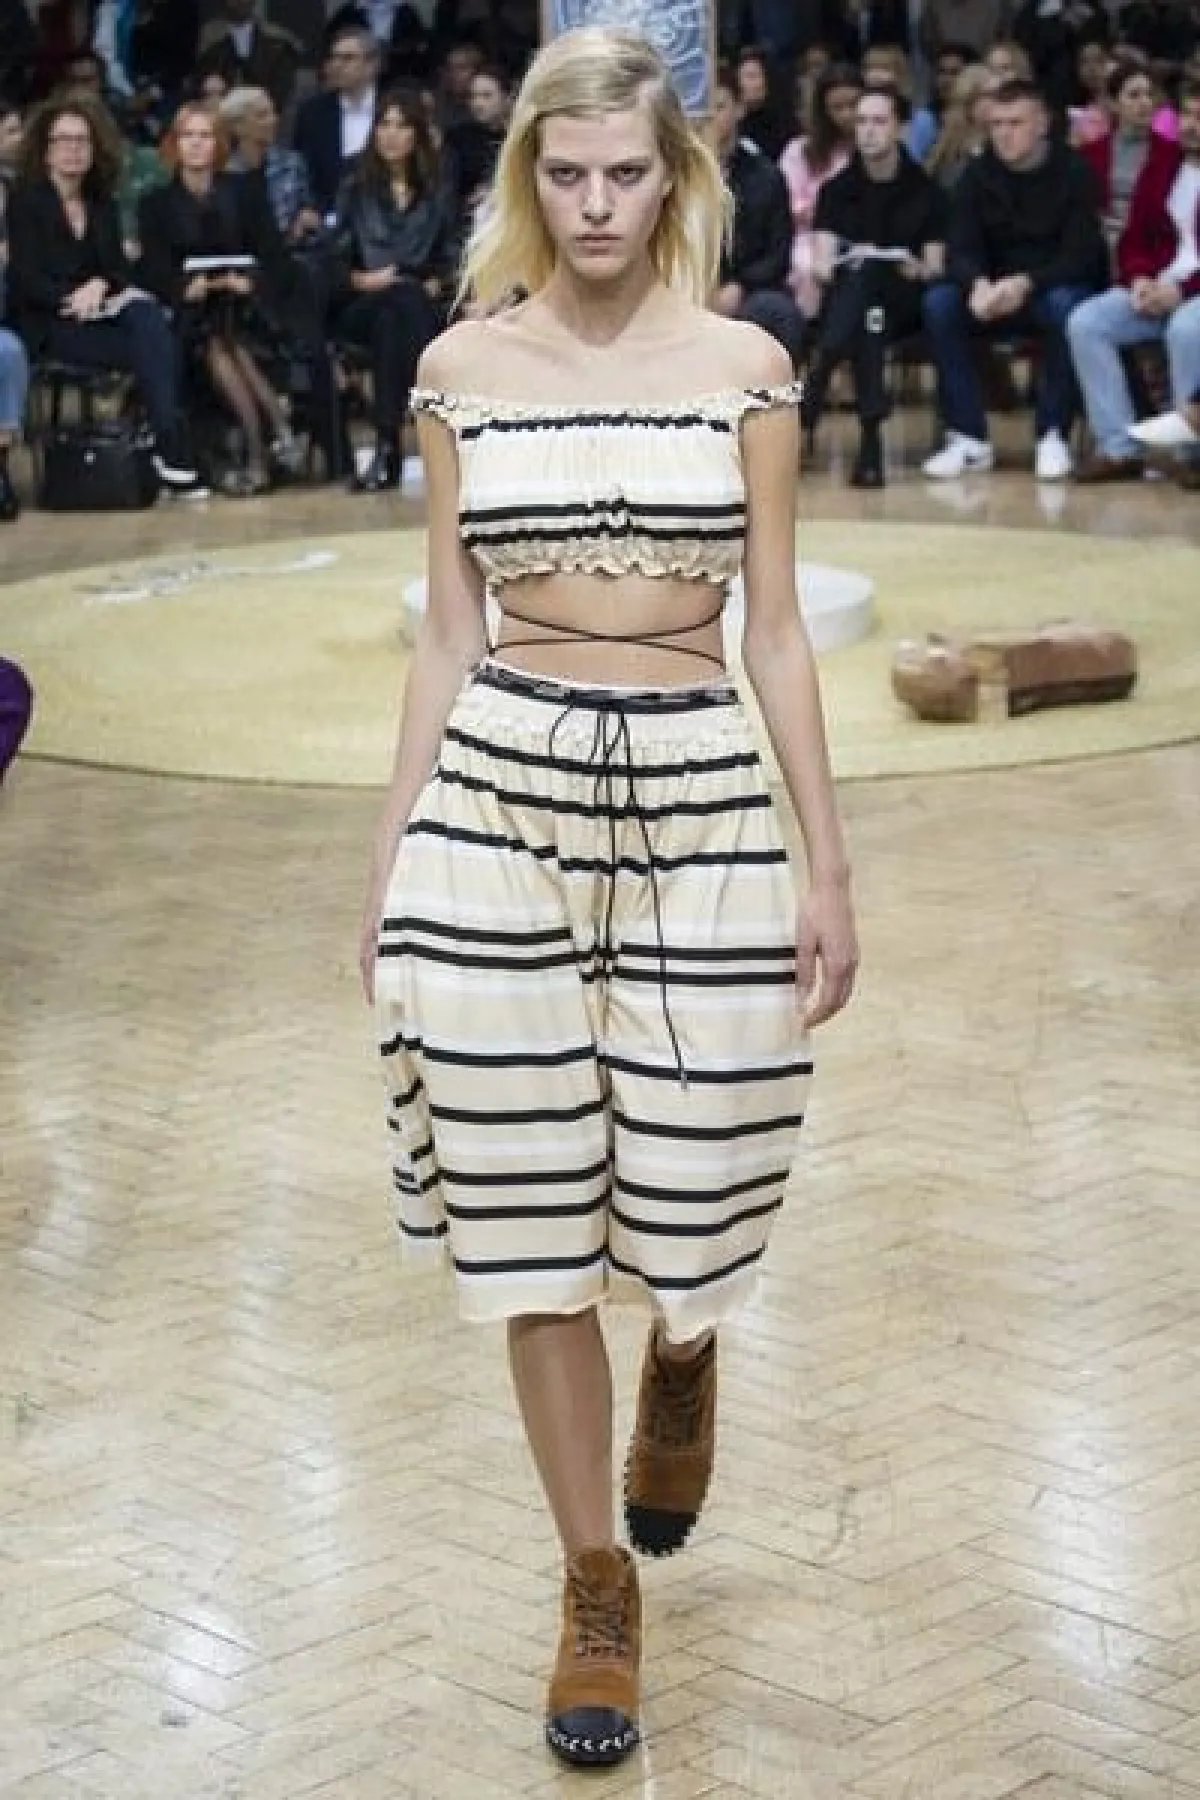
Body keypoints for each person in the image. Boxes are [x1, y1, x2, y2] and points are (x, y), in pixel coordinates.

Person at [362, 23, 857, 1774]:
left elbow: (775, 628)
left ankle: (690, 1342)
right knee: (523, 1205)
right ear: (528, 176)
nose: (592, 204)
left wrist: (827, 858)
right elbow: (447, 631)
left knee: (707, 1149)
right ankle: (594, 1583)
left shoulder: (745, 367)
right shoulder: (458, 368)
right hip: (499, 788)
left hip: (700, 787)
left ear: (673, 177)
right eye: (563, 174)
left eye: (624, 173)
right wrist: (391, 854)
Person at [6, 94, 204, 496]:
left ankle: (164, 440)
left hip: (100, 312)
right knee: (156, 347)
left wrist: (99, 287)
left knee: (149, 320)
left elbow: (118, 272)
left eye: (82, 141)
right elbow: (26, 279)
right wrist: (73, 298)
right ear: (46, 150)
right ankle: (169, 444)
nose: (74, 149)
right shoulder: (27, 204)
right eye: (64, 141)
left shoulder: (103, 205)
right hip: (49, 321)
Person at [921, 78, 1105, 480]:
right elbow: (960, 248)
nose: (1004, 134)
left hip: (1049, 287)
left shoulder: (1075, 173)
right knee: (940, 304)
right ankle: (967, 436)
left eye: (1015, 123)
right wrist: (977, 284)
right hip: (992, 291)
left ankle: (1052, 433)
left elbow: (1081, 257)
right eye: (997, 124)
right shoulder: (976, 174)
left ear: (1042, 124)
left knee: (1068, 308)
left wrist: (1026, 283)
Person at [137, 103, 302, 496]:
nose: (196, 145)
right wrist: (185, 287)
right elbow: (153, 269)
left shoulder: (245, 193)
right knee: (215, 337)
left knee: (226, 335)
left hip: (247, 307)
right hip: (189, 311)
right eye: (188, 136)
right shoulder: (155, 204)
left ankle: (259, 448)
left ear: (218, 144)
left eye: (205, 136)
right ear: (174, 145)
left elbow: (274, 255)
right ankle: (274, 430)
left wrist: (250, 281)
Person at [805, 85, 947, 485]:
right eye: (862, 122)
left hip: (905, 299)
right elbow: (822, 267)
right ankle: (870, 446)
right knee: (869, 314)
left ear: (900, 128)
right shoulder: (837, 190)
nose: (868, 131)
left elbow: (935, 267)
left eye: (879, 121)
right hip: (855, 301)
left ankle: (821, 371)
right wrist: (849, 260)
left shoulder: (927, 191)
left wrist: (912, 266)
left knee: (869, 297)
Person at [1069, 80, 1200, 484]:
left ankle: (1192, 452)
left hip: (1192, 292)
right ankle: (1119, 448)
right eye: (1187, 114)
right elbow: (1134, 238)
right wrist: (1140, 277)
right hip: (1159, 284)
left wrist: (1183, 290)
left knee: (1186, 329)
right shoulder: (1163, 165)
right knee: (1087, 322)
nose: (1192, 125)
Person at [333, 85, 461, 491]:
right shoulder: (355, 187)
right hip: (364, 300)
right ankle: (435, 417)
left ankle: (387, 448)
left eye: (402, 126)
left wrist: (440, 281)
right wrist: (359, 279)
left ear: (417, 134)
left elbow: (455, 252)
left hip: (418, 300)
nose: (390, 134)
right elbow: (333, 257)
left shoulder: (438, 188)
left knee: (395, 315)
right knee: (396, 302)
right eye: (383, 124)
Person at [708, 63, 806, 369]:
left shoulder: (766, 177)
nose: (709, 117)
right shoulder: (671, 176)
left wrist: (739, 286)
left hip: (748, 289)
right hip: (681, 288)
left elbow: (778, 253)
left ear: (739, 109)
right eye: (701, 109)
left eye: (719, 106)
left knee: (778, 312)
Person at [779, 62, 863, 318]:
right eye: (837, 107)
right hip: (807, 236)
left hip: (860, 237)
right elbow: (788, 203)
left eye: (853, 105)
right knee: (806, 265)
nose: (847, 115)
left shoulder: (872, 151)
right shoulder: (799, 151)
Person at [294, 25, 381, 219]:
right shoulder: (312, 113)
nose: (337, 65)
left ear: (372, 65)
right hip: (327, 218)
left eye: (348, 58)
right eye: (334, 57)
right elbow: (302, 171)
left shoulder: (391, 108)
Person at [1080, 58, 1162, 253]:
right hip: (1099, 243)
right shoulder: (1090, 153)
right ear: (1114, 104)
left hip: (1148, 246)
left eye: (1149, 94)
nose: (1145, 102)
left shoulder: (1170, 153)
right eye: (1134, 95)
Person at [196, 0, 302, 114]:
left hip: (266, 113)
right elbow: (199, 81)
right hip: (221, 115)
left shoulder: (277, 41)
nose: (241, 1)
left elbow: (283, 86)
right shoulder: (209, 40)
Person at [927, 63, 998, 188]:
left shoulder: (999, 145)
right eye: (989, 95)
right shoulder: (950, 147)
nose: (998, 101)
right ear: (970, 100)